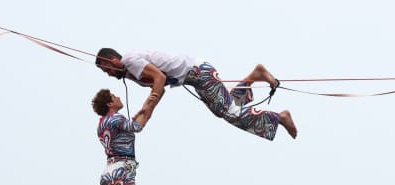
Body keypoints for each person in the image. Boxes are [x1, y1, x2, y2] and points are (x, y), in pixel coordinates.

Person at [95, 47, 298, 141]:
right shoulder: (129, 73)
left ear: (113, 60)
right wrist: (146, 115)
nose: (109, 75)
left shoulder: (130, 61)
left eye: (107, 70)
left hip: (198, 73)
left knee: (229, 113)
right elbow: (159, 88)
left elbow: (159, 79)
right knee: (224, 110)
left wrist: (147, 106)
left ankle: (279, 117)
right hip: (195, 76)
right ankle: (254, 76)